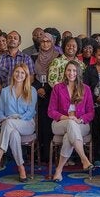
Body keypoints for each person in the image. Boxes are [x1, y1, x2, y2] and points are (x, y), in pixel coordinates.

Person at [0, 63, 37, 182]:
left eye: (23, 73)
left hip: (26, 124)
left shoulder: (32, 90)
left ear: (26, 75)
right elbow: (0, 112)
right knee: (13, 134)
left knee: (10, 123)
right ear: (13, 74)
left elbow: (30, 112)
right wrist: (5, 120)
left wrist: (14, 119)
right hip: (9, 126)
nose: (19, 75)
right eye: (17, 72)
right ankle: (21, 168)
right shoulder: (5, 91)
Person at [48, 61, 94, 182]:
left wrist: (80, 120)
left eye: (74, 70)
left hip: (81, 124)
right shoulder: (58, 88)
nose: (71, 73)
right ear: (65, 72)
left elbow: (91, 113)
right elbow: (51, 111)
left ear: (78, 72)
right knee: (70, 123)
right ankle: (84, 158)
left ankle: (58, 170)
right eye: (69, 70)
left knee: (69, 135)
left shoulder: (86, 89)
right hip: (60, 123)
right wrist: (67, 118)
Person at [33, 32, 59, 163]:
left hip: (52, 93)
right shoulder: (33, 57)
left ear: (52, 43)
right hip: (37, 93)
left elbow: (58, 77)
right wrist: (38, 88)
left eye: (48, 41)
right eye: (43, 41)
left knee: (50, 123)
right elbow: (31, 76)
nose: (45, 44)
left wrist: (46, 89)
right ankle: (40, 154)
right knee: (39, 123)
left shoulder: (57, 57)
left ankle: (51, 154)